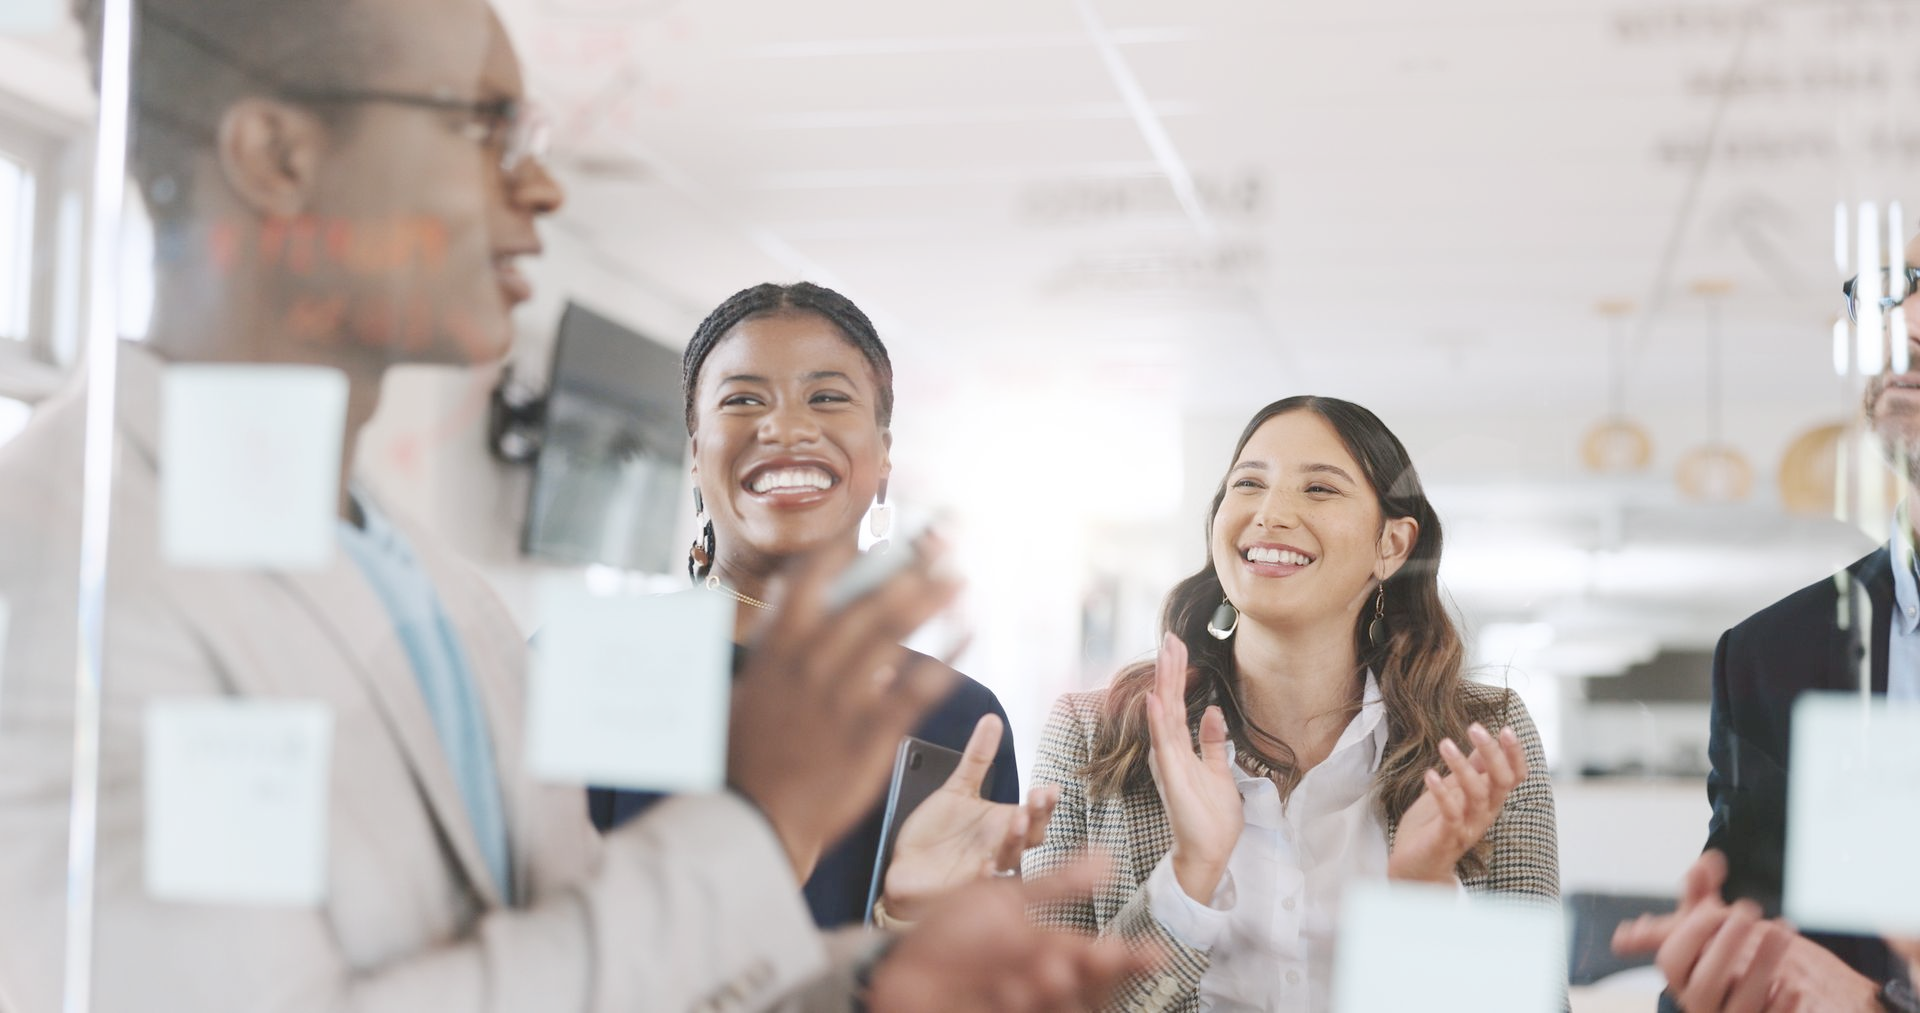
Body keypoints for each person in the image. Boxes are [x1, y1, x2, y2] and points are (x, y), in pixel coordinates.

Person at [0, 1, 1147, 1009]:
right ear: (278, 154)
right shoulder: (63, 568)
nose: (540, 185)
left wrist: (879, 978)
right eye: (482, 126)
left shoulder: (440, 592)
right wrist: (760, 831)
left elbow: (586, 962)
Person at [1024, 396, 1562, 1013]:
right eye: (1248, 484)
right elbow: (1043, 1003)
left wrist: (1423, 894)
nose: (1271, 513)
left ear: (1391, 544)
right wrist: (1188, 878)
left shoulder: (1478, 738)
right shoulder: (1096, 731)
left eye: (1320, 490)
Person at [588, 282, 1047, 928]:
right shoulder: (592, 671)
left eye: (828, 397)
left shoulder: (959, 719)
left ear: (884, 458)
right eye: (743, 398)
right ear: (695, 455)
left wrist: (908, 922)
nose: (787, 426)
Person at [1612, 245, 1920, 1013]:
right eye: (1888, 290)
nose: (1902, 321)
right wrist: (1709, 976)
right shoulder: (1769, 656)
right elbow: (1758, 943)